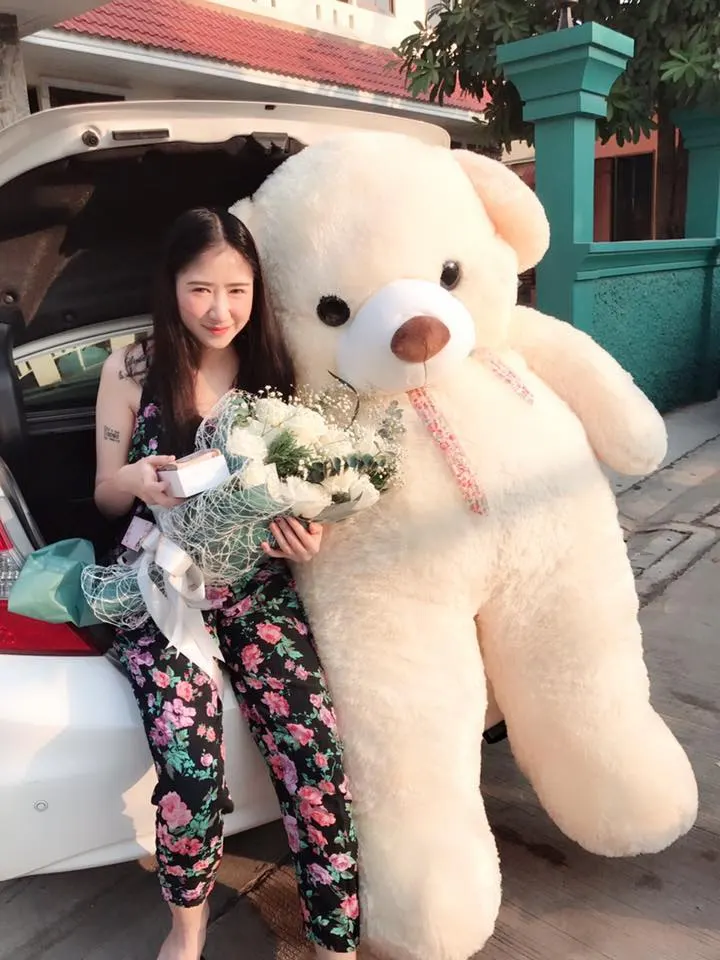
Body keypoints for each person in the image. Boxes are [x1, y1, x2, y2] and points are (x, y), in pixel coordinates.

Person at [93, 207, 360, 960]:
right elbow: (104, 494)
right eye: (200, 289)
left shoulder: (277, 372)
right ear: (171, 286)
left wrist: (313, 534)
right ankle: (187, 929)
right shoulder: (131, 369)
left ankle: (335, 937)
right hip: (159, 590)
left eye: (237, 290)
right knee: (191, 764)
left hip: (256, 589)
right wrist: (134, 480)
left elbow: (311, 491)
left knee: (315, 750)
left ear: (256, 290)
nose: (220, 310)